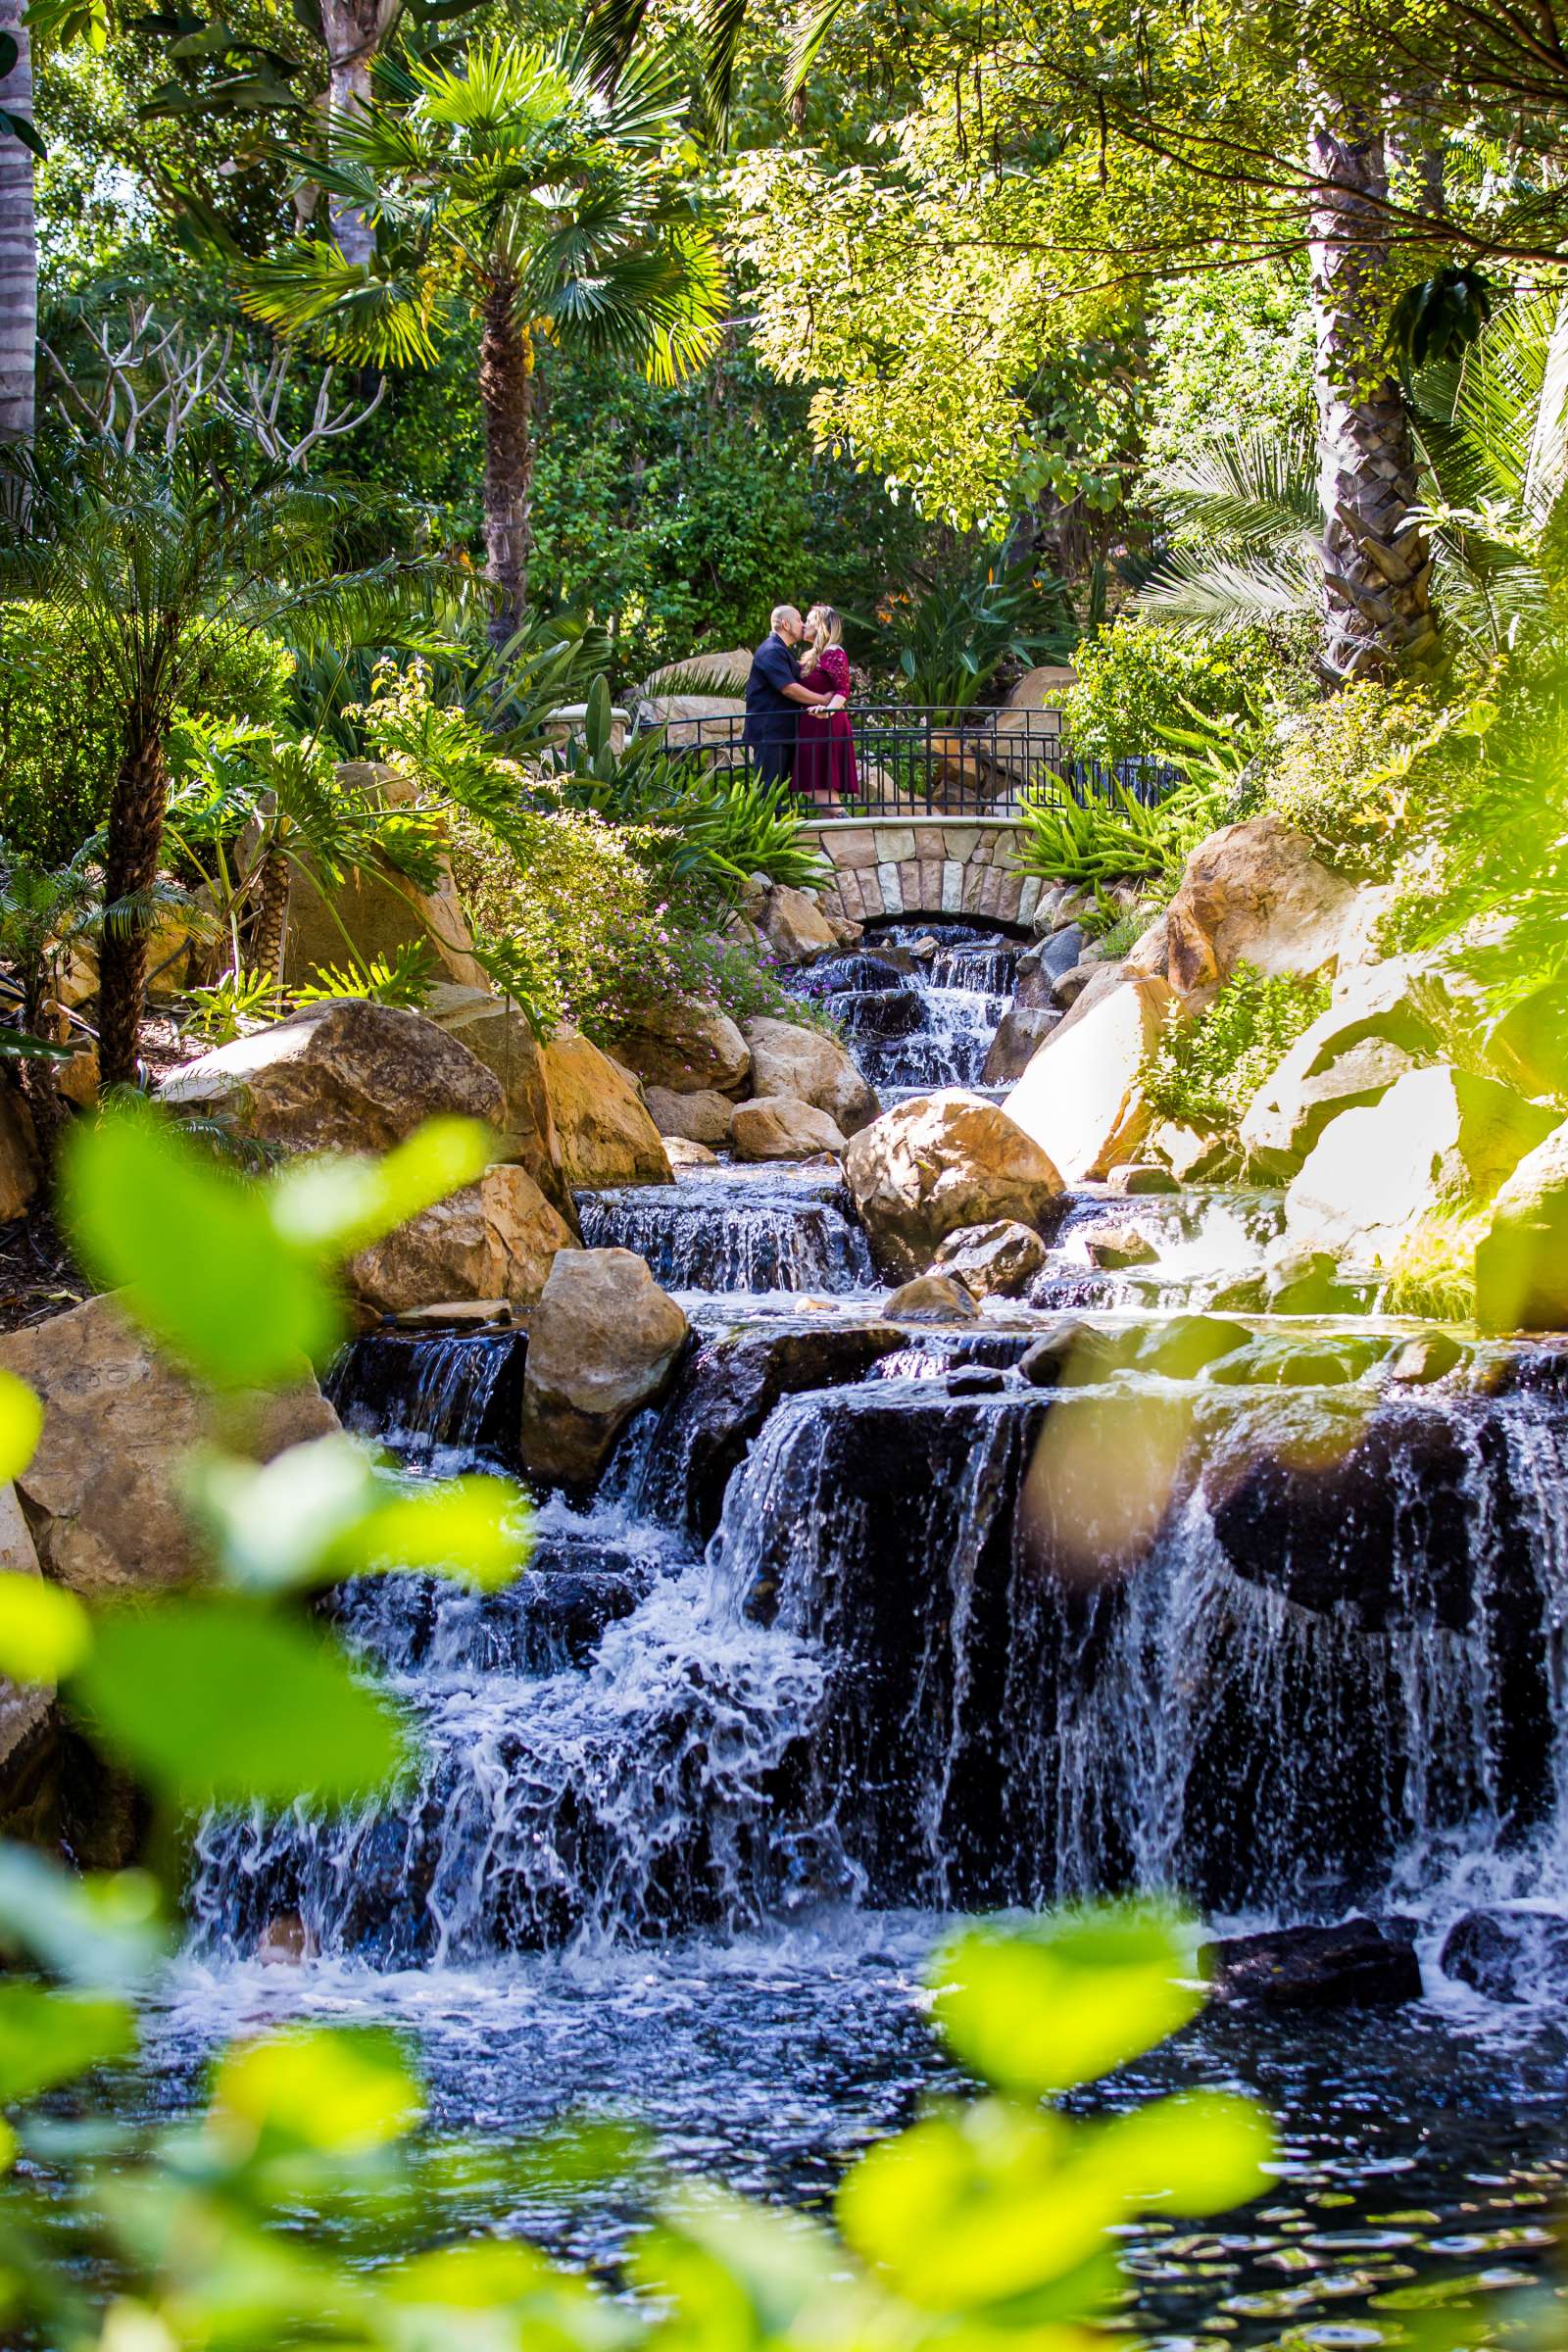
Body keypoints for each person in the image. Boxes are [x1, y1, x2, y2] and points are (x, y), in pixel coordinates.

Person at [743, 604, 845, 784]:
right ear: (785, 624)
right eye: (799, 620)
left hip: (781, 732)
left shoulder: (782, 650)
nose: (803, 624)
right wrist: (823, 699)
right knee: (768, 790)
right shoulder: (771, 650)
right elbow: (788, 688)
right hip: (770, 733)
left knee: (783, 791)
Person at [794, 605, 858, 810]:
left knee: (809, 782)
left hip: (826, 725)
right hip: (813, 725)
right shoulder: (814, 654)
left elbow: (843, 691)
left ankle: (845, 822)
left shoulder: (833, 652)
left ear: (821, 625)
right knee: (818, 783)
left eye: (809, 620)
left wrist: (827, 711)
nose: (804, 624)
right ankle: (836, 834)